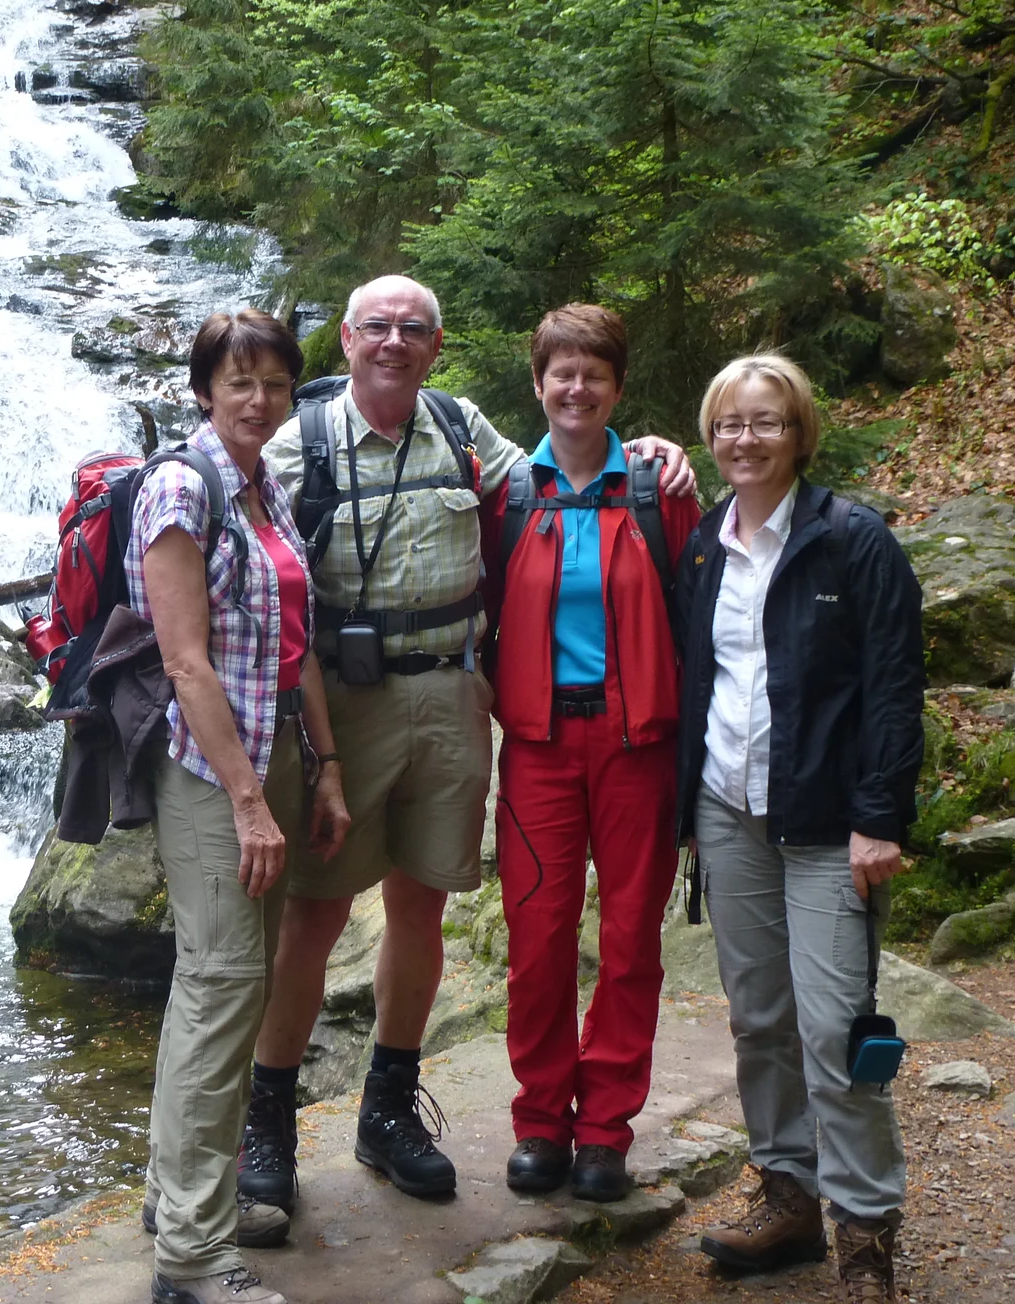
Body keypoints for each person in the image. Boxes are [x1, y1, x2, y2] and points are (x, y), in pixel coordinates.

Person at [245, 275, 695, 1208]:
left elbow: (594, 485)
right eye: (378, 326)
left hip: (469, 706)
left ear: (438, 343)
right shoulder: (300, 445)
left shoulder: (472, 440)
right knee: (320, 917)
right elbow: (241, 538)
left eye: (413, 328)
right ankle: (270, 1127)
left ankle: (399, 1114)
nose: (394, 342)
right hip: (364, 710)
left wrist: (660, 448)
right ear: (348, 336)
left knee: (427, 910)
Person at [676, 354, 923, 1304]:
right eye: (731, 422)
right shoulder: (705, 543)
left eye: (767, 421)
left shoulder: (852, 540)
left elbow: (896, 690)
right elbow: (704, 684)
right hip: (727, 814)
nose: (748, 438)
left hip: (830, 826)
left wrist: (879, 819)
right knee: (759, 1020)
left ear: (799, 432)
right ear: (712, 433)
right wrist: (687, 815)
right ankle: (787, 1197)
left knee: (833, 1027)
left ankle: (865, 1232)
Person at [130, 309, 351, 1304]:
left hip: (272, 767)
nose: (258, 398)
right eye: (239, 381)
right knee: (221, 989)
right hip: (215, 779)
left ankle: (183, 1198)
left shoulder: (268, 486)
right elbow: (187, 661)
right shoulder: (183, 485)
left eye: (274, 382)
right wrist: (253, 803)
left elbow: (290, 643)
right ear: (204, 390)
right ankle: (192, 1257)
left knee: (222, 991)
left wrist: (329, 769)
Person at [482, 305, 700, 1202]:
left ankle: (605, 1127)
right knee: (537, 942)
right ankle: (540, 1120)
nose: (577, 389)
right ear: (538, 384)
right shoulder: (505, 492)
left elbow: (705, 622)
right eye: (561, 373)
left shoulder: (660, 491)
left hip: (636, 742)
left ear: (618, 387)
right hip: (536, 743)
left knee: (629, 941)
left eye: (594, 374)